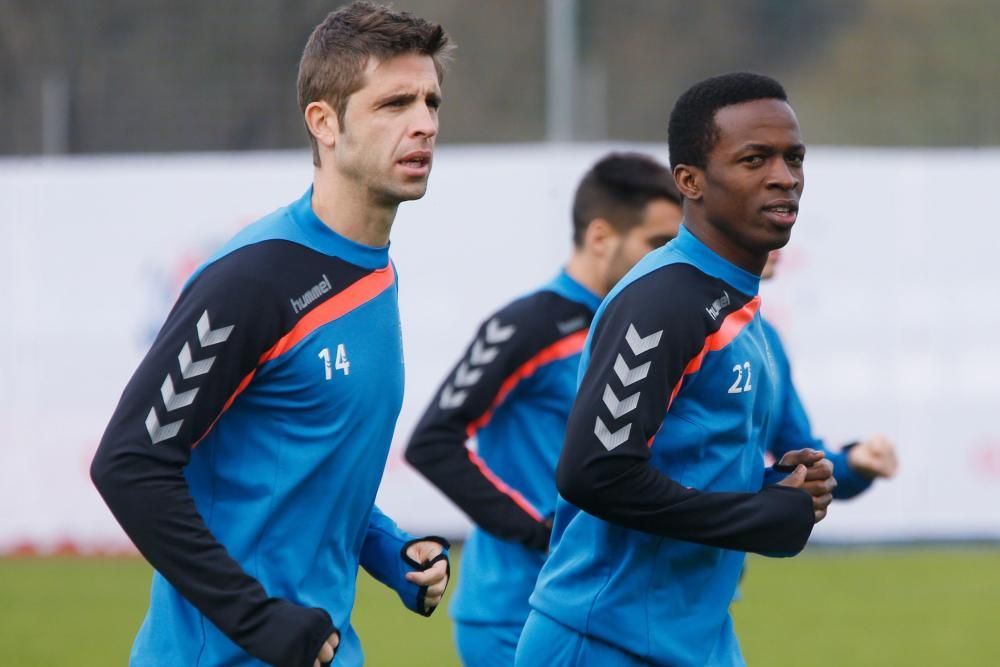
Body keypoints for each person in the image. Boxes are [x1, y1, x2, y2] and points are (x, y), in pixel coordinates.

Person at [90, 4, 453, 666]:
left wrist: (393, 550)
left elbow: (305, 470)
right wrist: (259, 620)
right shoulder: (254, 280)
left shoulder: (376, 272)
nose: (424, 123)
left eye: (430, 100)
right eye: (394, 103)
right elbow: (130, 462)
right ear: (324, 122)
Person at [516, 72, 836, 667]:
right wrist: (759, 516)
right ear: (689, 181)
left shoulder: (734, 303)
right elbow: (596, 473)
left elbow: (684, 467)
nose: (784, 177)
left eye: (794, 158)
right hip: (604, 641)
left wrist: (778, 488)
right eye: (754, 159)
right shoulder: (664, 299)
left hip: (697, 638)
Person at [405, 153, 684, 666]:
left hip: (609, 609)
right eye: (658, 244)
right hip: (515, 614)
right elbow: (432, 443)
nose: (671, 260)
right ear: (601, 237)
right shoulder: (529, 325)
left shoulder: (645, 329)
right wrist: (540, 531)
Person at [762, 251, 899, 496]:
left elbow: (798, 453)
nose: (778, 242)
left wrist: (853, 463)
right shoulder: (681, 323)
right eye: (667, 241)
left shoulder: (765, 337)